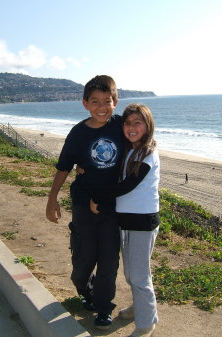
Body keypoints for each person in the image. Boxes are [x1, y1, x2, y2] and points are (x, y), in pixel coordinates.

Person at [45, 75, 125, 330]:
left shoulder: (122, 126)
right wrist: (52, 199)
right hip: (83, 206)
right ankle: (83, 287)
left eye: (107, 101)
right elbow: (63, 168)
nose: (102, 107)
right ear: (85, 104)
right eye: (95, 102)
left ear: (116, 101)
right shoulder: (78, 133)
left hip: (112, 207)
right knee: (83, 261)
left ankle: (104, 307)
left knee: (109, 260)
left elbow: (142, 139)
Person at [88, 104, 160, 337]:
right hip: (126, 221)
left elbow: (129, 185)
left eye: (137, 122)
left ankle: (146, 324)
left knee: (140, 275)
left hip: (142, 222)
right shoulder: (129, 149)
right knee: (131, 274)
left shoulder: (148, 153)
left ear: (147, 125)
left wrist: (99, 196)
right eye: (127, 123)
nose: (131, 127)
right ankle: (140, 308)